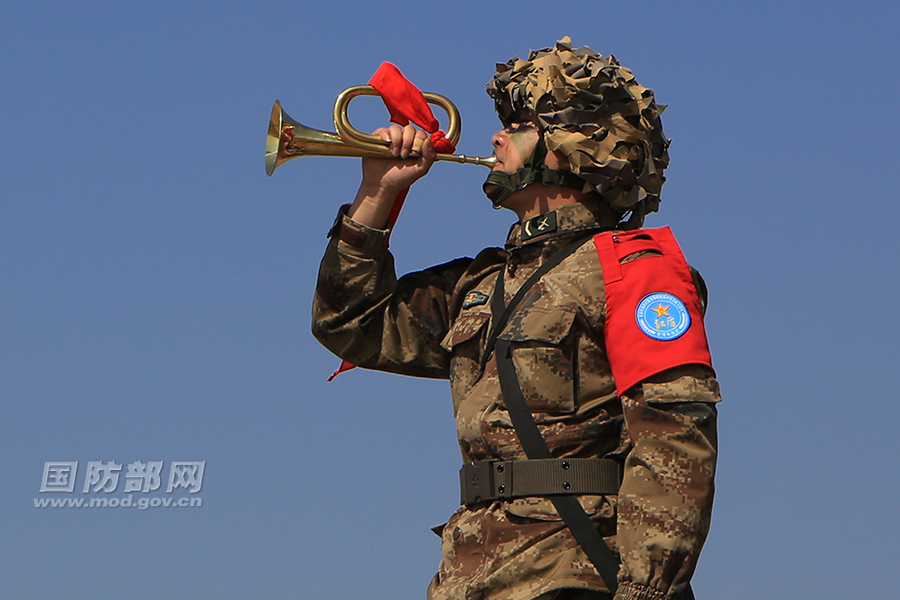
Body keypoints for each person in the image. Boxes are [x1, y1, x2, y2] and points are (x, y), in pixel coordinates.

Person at [312, 38, 721, 600]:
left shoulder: (633, 271)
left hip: (574, 574)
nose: (496, 137)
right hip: (468, 578)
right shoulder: (480, 283)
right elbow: (350, 325)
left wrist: (647, 591)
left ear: (572, 146)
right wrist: (374, 194)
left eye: (520, 124)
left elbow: (674, 440)